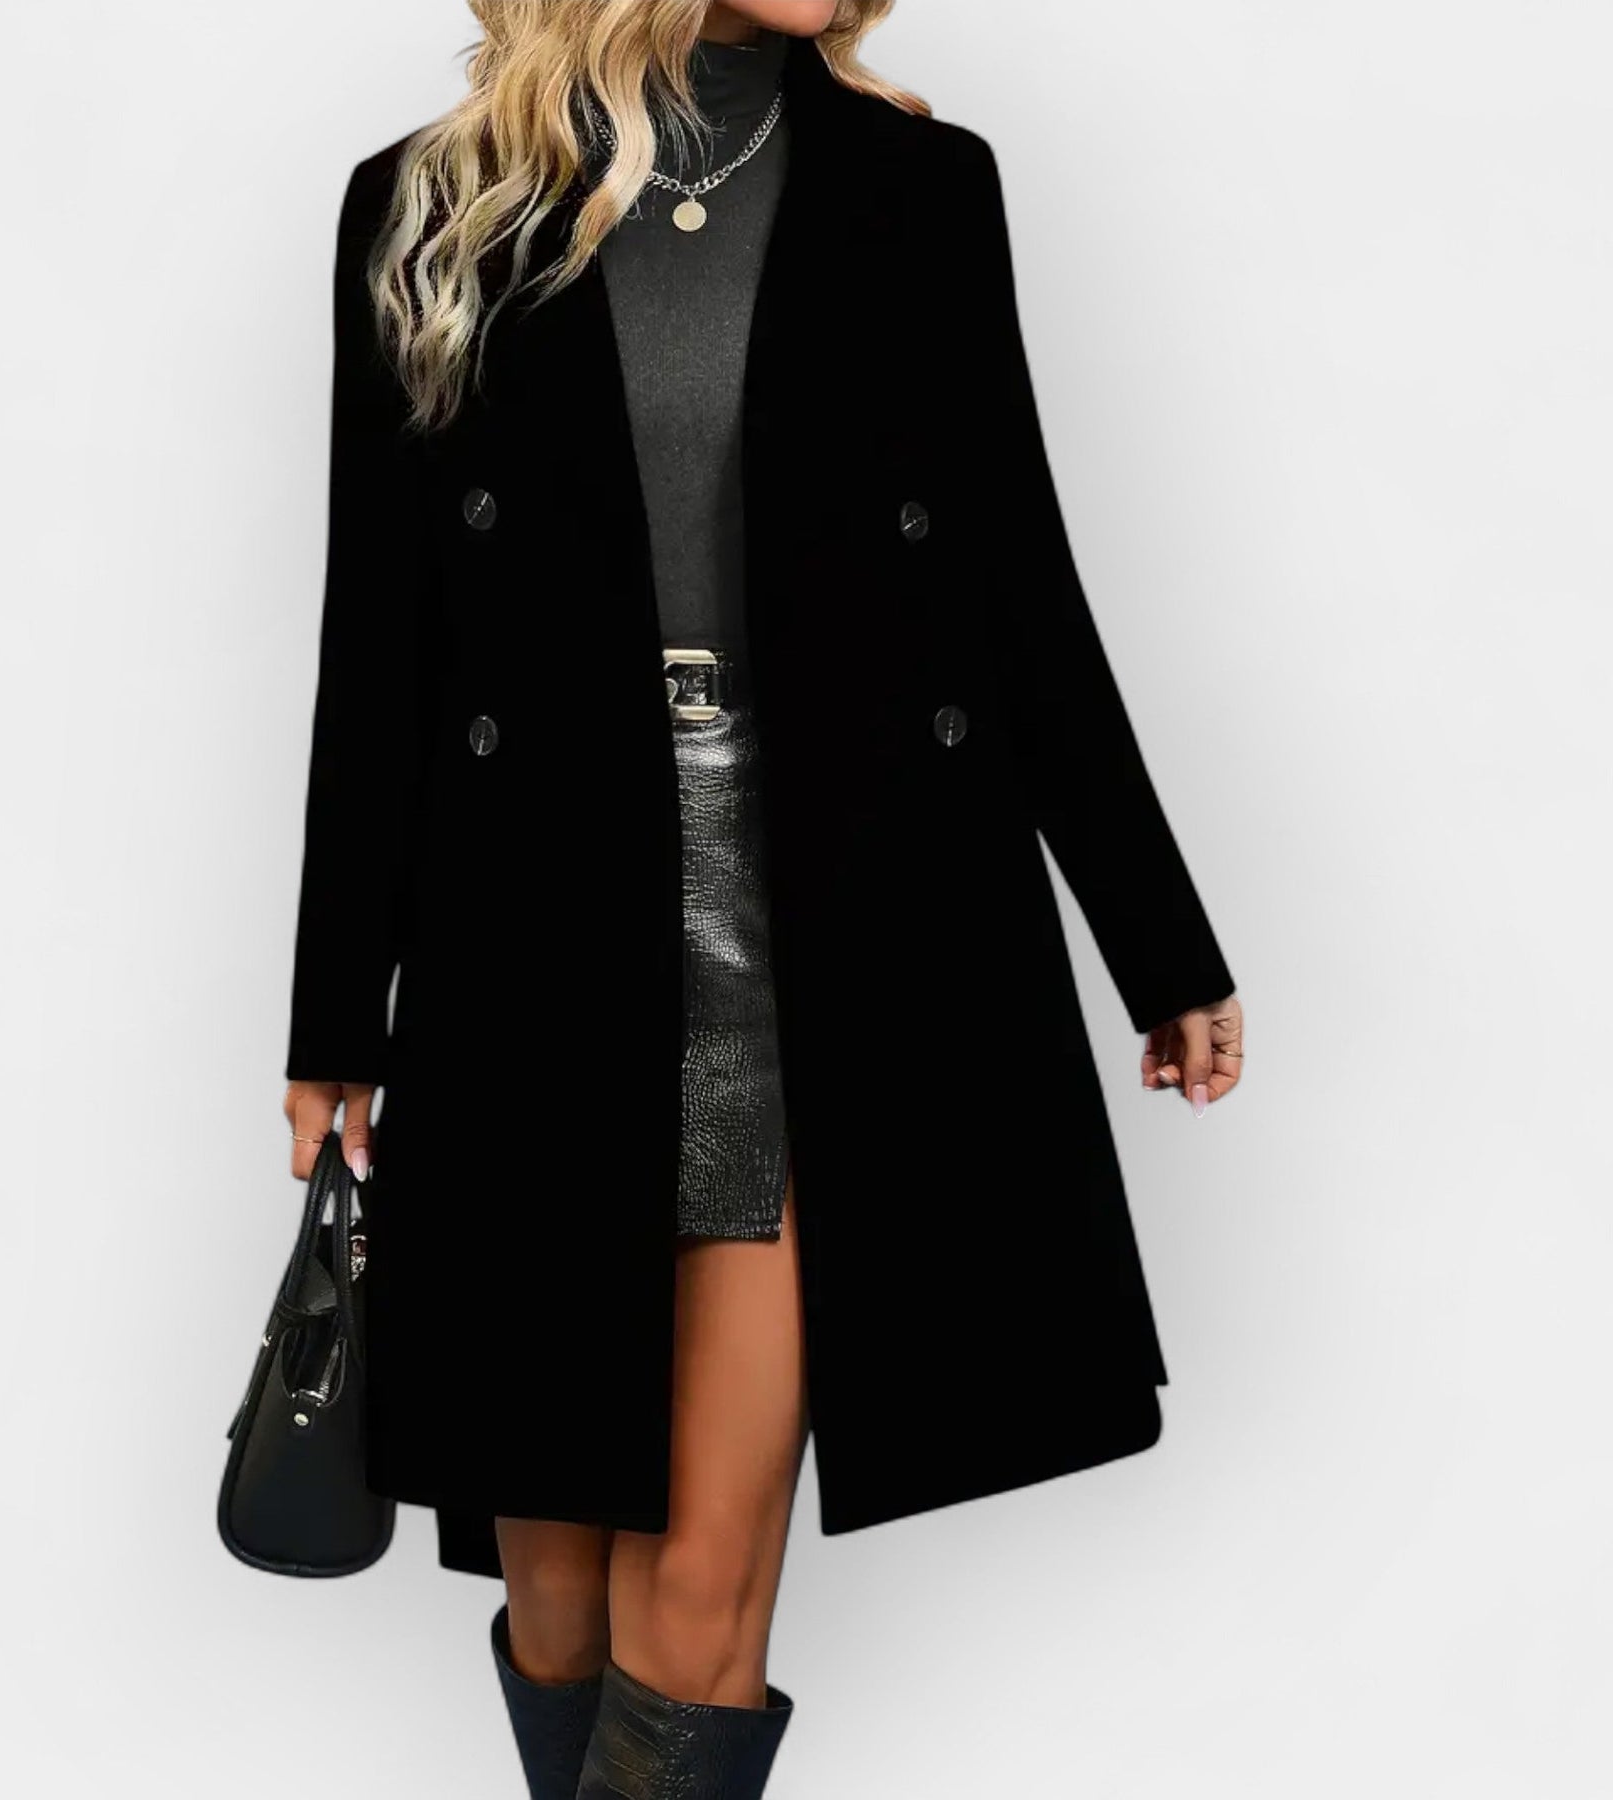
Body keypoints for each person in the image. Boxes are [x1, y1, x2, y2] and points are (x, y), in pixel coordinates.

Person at [279, 2, 1246, 1793]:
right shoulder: (434, 202)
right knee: (560, 1594)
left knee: (699, 1591)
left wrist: (1159, 944)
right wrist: (339, 1009)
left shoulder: (921, 190)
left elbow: (1016, 572)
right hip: (536, 919)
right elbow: (382, 628)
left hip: (825, 908)